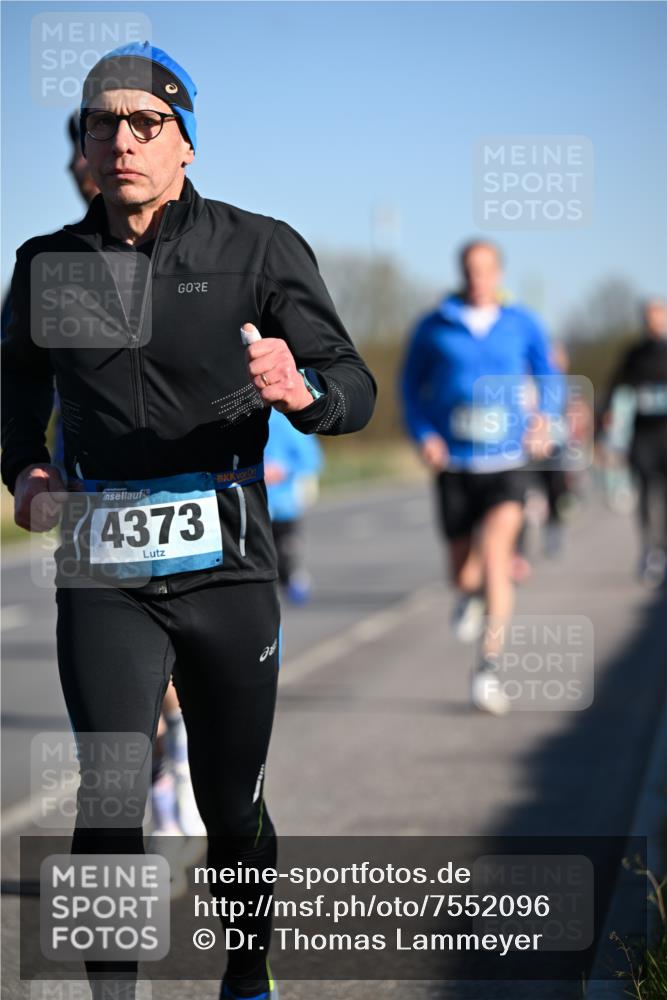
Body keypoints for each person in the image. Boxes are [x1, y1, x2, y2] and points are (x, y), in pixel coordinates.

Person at [2, 41, 376, 1000]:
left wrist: (301, 392)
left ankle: (246, 972)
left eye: (146, 122)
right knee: (111, 792)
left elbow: (353, 384)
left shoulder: (257, 247)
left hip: (227, 555)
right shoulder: (49, 264)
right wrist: (25, 468)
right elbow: (9, 394)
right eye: (101, 123)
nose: (121, 140)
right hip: (102, 557)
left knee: (230, 799)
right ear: (83, 145)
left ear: (186, 143)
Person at [400, 239, 560, 715]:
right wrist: (425, 434)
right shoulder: (435, 326)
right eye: (470, 270)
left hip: (507, 460)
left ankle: (488, 668)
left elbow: (548, 375)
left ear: (498, 273)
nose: (478, 278)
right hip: (454, 463)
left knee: (495, 554)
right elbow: (409, 389)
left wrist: (543, 419)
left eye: (486, 270)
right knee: (463, 572)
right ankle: (470, 594)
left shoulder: (522, 322)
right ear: (461, 273)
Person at [600, 298, 667, 586]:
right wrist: (605, 416)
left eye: (658, 315)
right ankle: (649, 550)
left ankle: (663, 548)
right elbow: (615, 385)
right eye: (648, 316)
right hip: (643, 437)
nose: (653, 321)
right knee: (645, 493)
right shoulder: (634, 354)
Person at [264, 409, 323, 604]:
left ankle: (293, 578)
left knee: (287, 550)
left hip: (283, 503)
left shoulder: (287, 416)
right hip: (250, 504)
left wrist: (282, 469)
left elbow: (311, 458)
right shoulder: (234, 410)